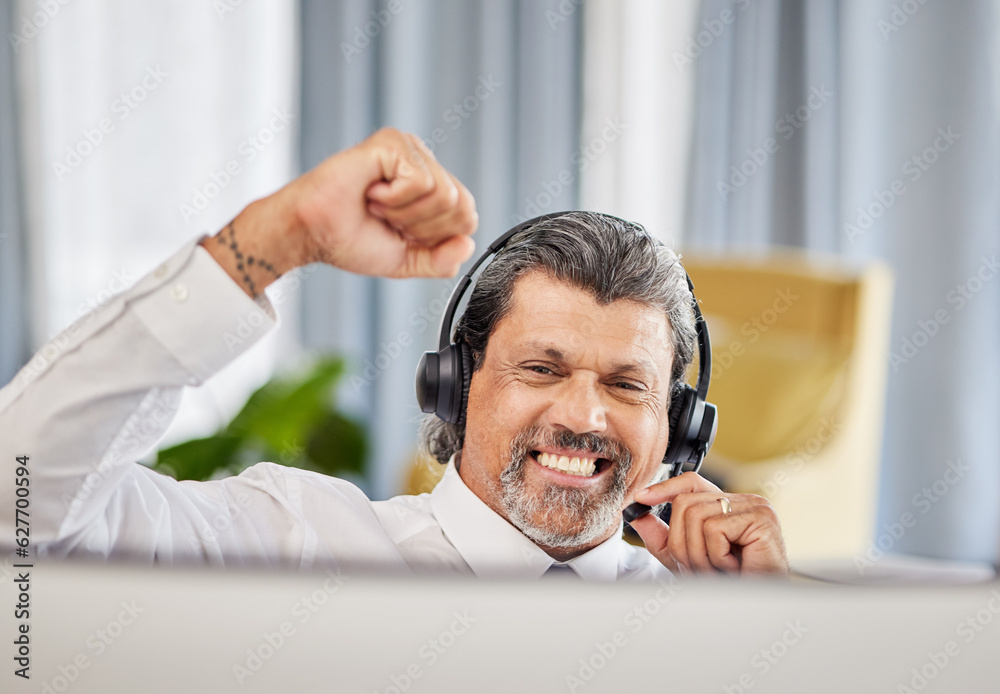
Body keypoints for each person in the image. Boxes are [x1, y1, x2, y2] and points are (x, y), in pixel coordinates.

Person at [0, 128, 787, 580]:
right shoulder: (297, 545)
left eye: (626, 384)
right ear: (453, 386)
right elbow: (20, 512)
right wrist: (273, 240)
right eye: (540, 368)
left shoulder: (713, 608)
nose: (584, 415)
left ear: (679, 429)